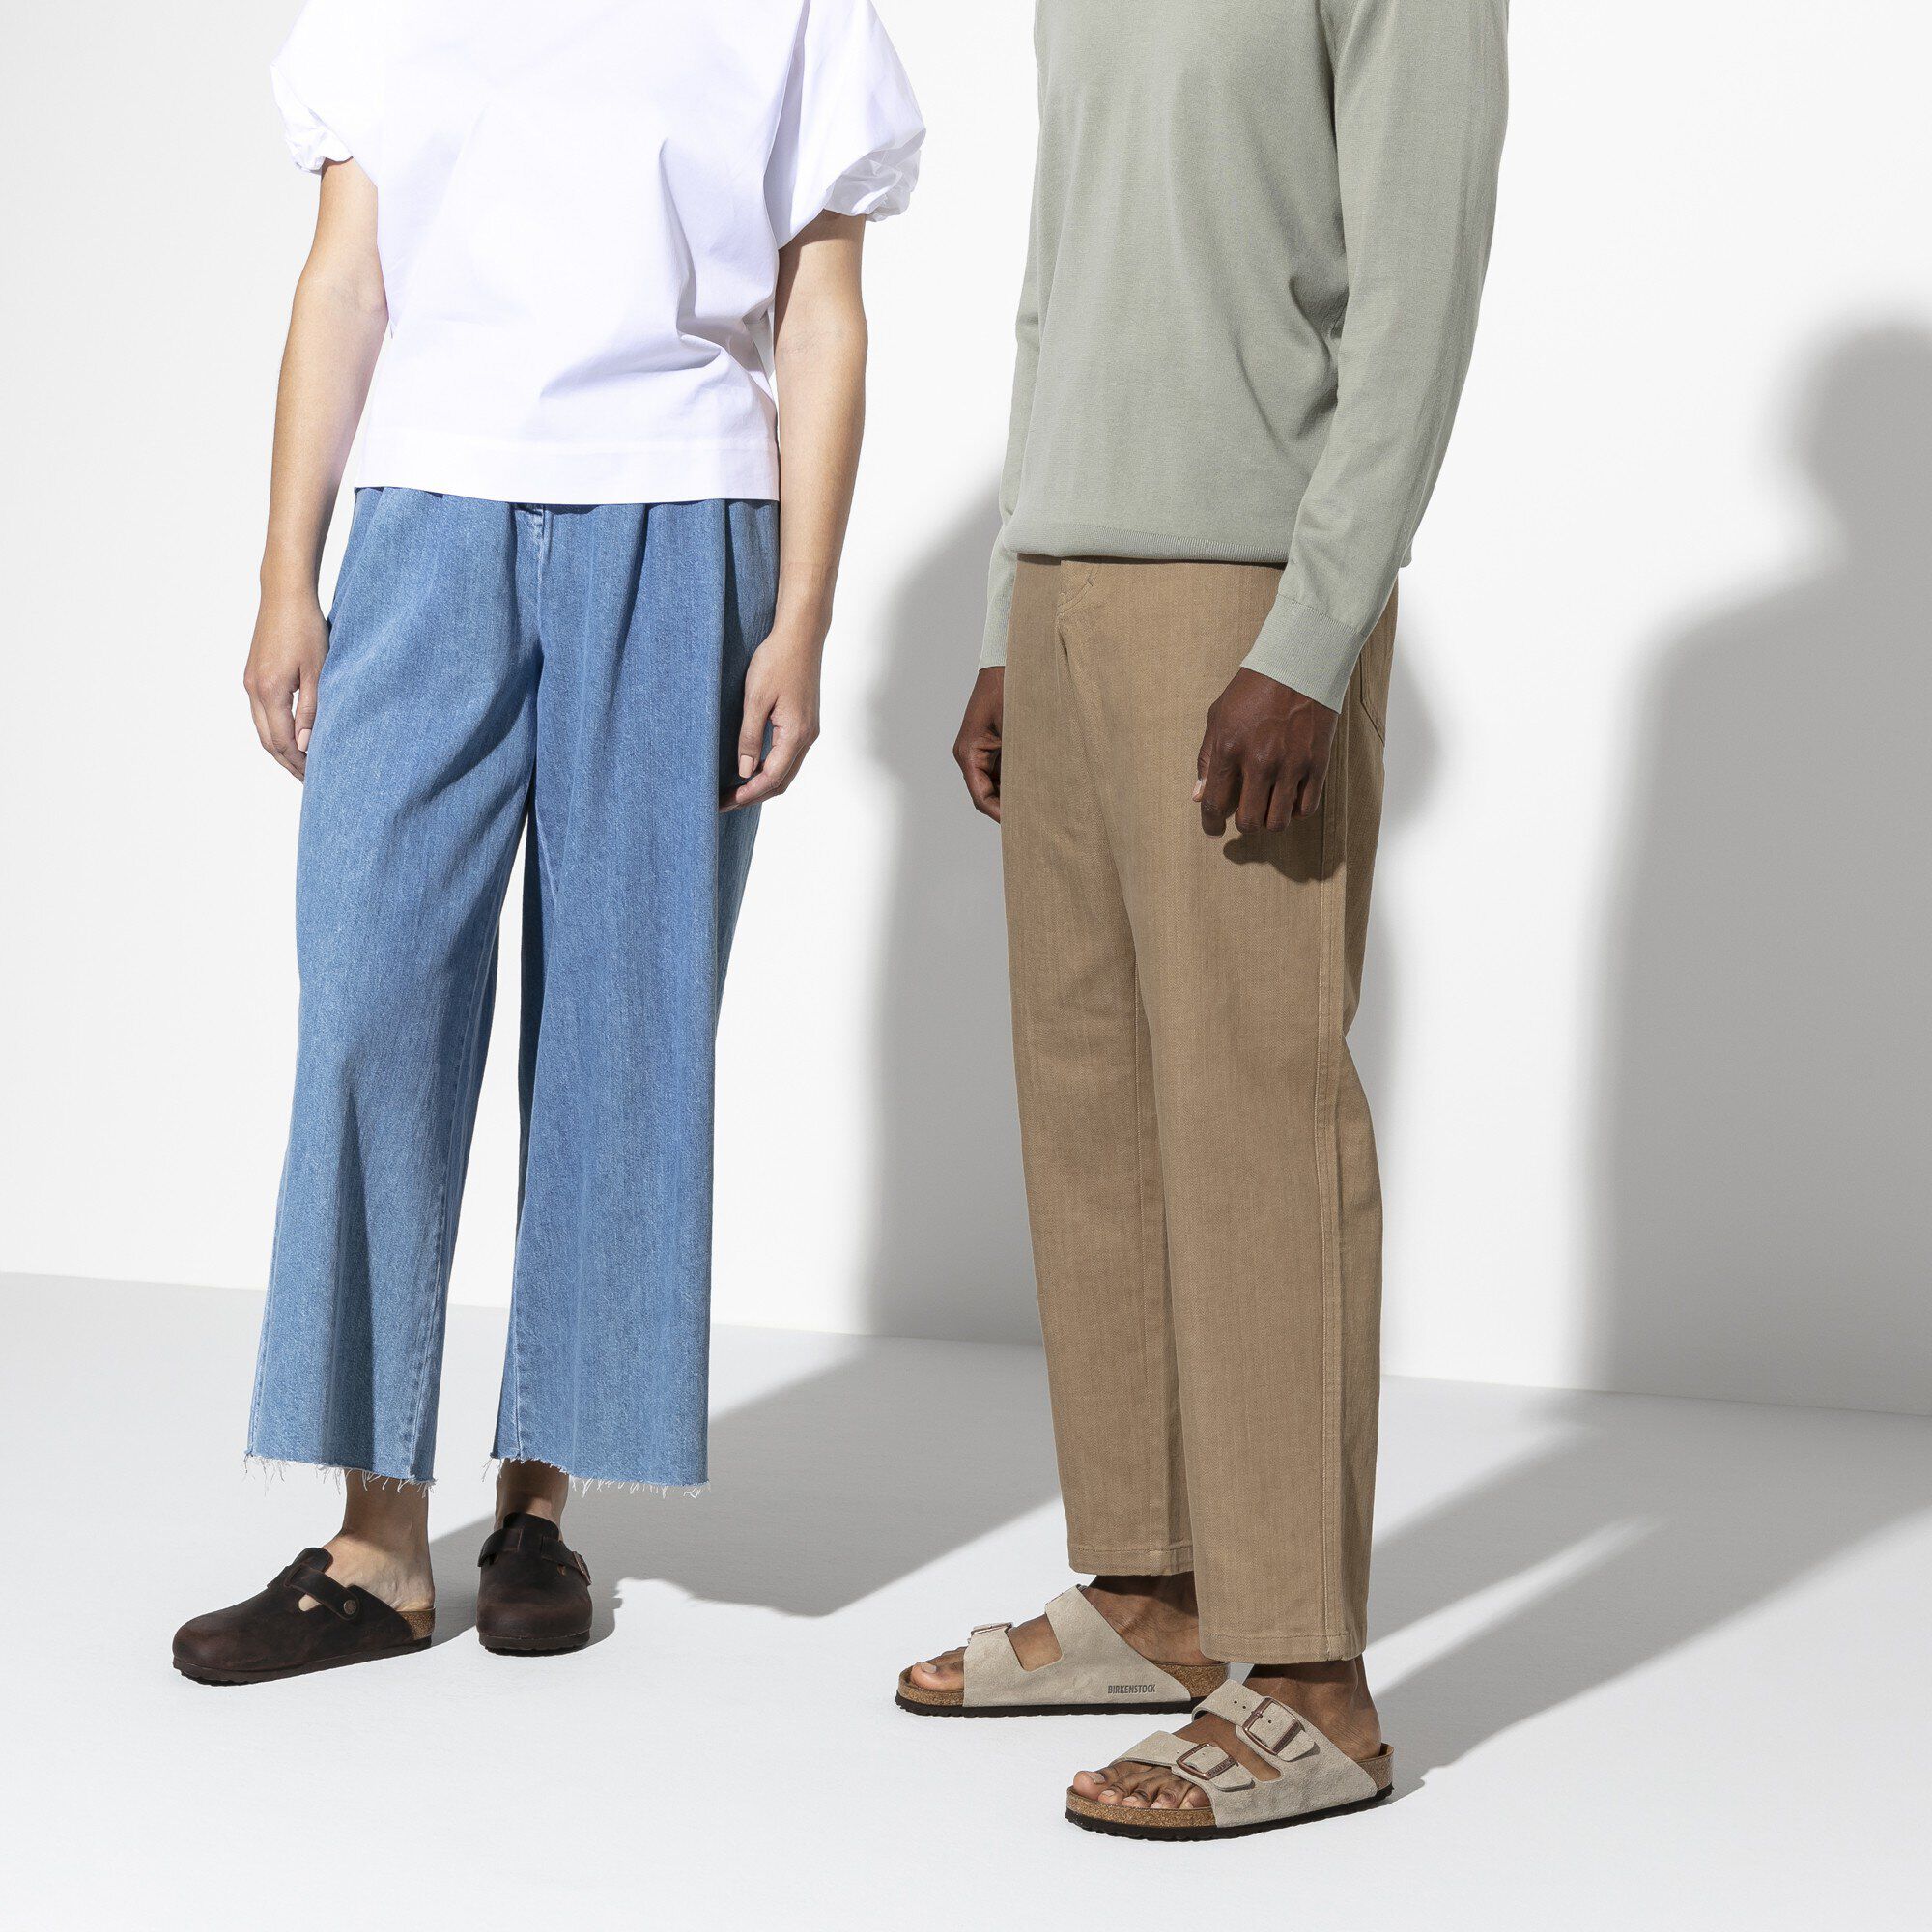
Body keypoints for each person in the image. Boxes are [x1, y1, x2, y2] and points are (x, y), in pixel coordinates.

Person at [173, 0, 922, 1685]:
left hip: (685, 516)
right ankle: (376, 1541)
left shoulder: (798, 11)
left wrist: (804, 614)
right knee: (370, 993)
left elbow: (821, 315)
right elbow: (344, 285)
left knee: (620, 1025)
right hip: (426, 521)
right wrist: (288, 572)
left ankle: (537, 1504)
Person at [899, 0, 1508, 1840]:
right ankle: (1155, 1596)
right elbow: (1050, 293)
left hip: (1247, 586)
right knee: (1089, 1098)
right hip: (1070, 577)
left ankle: (1310, 1675)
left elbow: (1419, 286)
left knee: (1256, 1114)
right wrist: (1010, 607)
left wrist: (1314, 634)